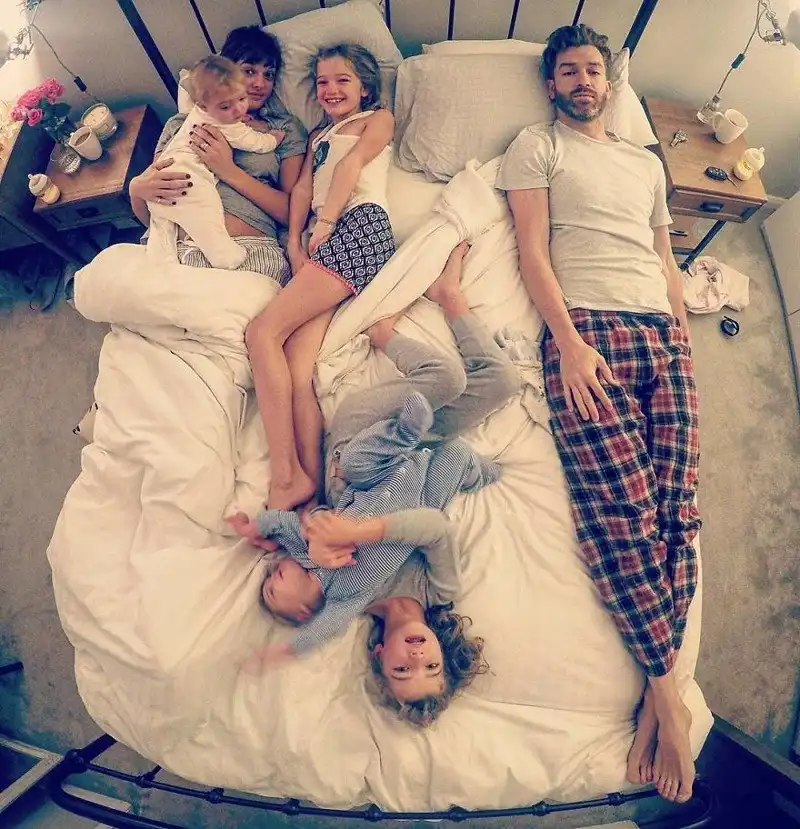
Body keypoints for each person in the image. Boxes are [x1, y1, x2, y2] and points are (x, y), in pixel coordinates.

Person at [496, 24, 700, 805]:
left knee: (678, 509)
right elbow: (532, 252)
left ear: (610, 83)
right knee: (623, 509)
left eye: (593, 70)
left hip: (663, 337)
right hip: (592, 335)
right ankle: (669, 695)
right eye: (569, 71)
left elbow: (665, 259)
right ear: (551, 84)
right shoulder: (535, 146)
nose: (583, 81)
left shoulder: (644, 163)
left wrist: (682, 335)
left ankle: (655, 690)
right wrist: (570, 344)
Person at [228, 242, 516, 678]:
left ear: (380, 655)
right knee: (502, 382)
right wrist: (356, 531)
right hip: (424, 453)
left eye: (402, 671)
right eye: (431, 667)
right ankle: (449, 295)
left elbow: (299, 537)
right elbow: (434, 527)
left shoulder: (346, 598)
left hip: (361, 459)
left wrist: (281, 650)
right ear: (443, 652)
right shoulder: (441, 591)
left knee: (446, 379)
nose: (416, 660)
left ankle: (382, 334)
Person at [245, 43, 396, 512]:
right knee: (296, 368)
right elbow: (302, 189)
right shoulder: (316, 136)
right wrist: (294, 240)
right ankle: (313, 499)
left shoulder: (377, 119)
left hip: (360, 226)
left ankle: (283, 476)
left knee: (261, 332)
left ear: (364, 87)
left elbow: (352, 165)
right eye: (323, 82)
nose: (330, 89)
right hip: (321, 240)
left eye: (342, 80)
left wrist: (326, 223)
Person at [128, 26, 307, 283]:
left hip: (248, 253)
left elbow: (291, 214)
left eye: (269, 74)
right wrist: (136, 189)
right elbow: (156, 208)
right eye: (249, 71)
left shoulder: (283, 129)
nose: (261, 83)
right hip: (175, 252)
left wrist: (227, 170)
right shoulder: (182, 124)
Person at [146, 55, 285, 269]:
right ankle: (223, 255)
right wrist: (273, 139)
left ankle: (159, 259)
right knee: (205, 212)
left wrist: (227, 169)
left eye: (241, 99)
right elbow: (255, 142)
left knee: (161, 223)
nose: (238, 110)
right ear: (202, 105)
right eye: (226, 106)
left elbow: (291, 212)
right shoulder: (224, 125)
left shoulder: (206, 114)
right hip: (187, 180)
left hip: (169, 175)